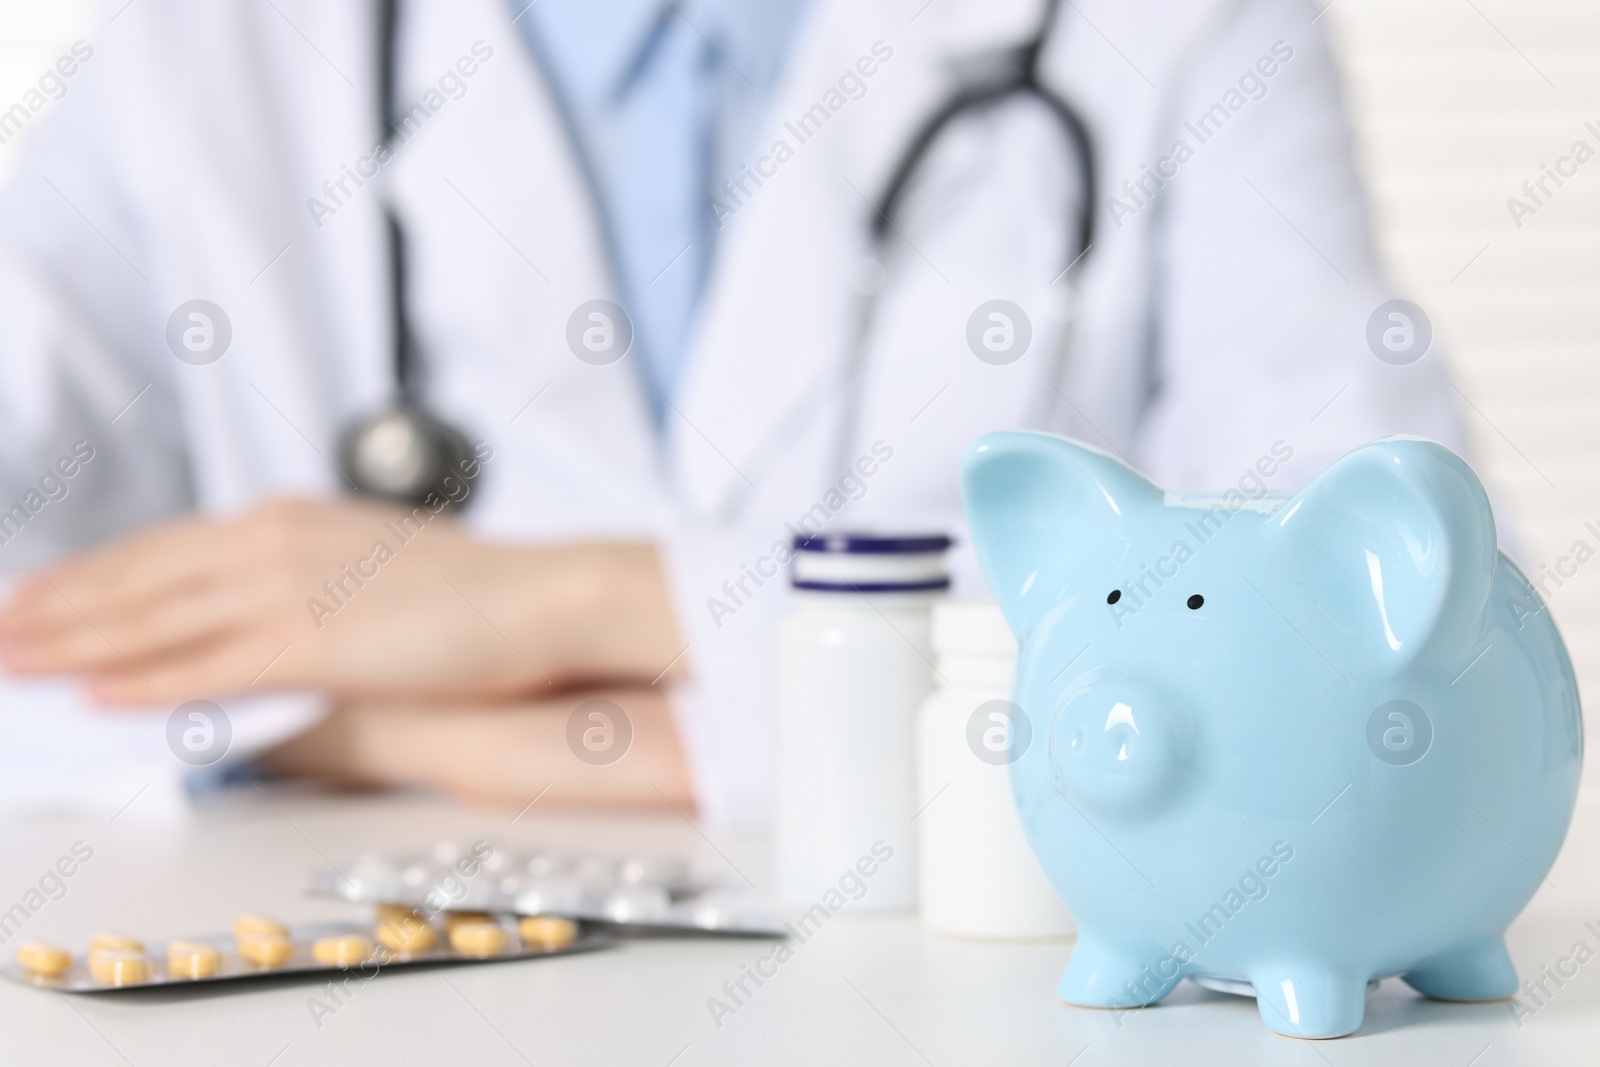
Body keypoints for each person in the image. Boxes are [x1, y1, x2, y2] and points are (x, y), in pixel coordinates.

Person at [0, 0, 1461, 826]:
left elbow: (1399, 635)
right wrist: (386, 729)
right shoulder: (202, 53)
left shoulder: (1183, 28)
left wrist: (545, 611)